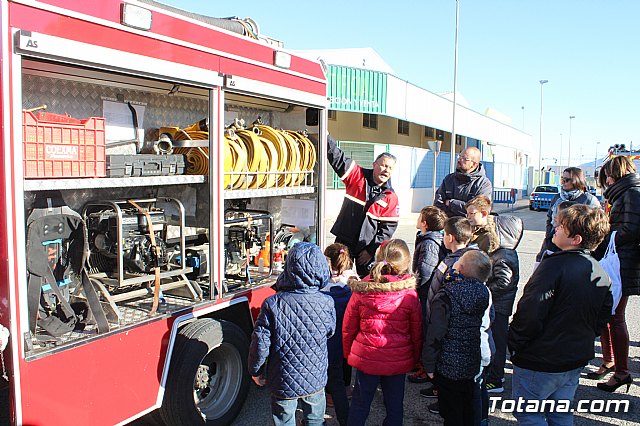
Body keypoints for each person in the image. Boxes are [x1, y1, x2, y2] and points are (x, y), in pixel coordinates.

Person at [508, 204, 612, 425]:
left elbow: (531, 311)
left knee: (529, 415)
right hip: (573, 358)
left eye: (562, 226)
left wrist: (516, 342)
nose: (555, 228)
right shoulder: (600, 271)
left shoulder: (553, 266)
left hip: (540, 359)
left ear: (576, 239)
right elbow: (602, 316)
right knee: (561, 413)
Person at [248, 242, 336, 426]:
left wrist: (255, 370)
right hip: (315, 376)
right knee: (315, 419)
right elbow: (330, 331)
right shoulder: (327, 302)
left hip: (282, 380)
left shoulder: (272, 304)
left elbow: (260, 343)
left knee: (284, 420)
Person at [343, 239, 422, 426]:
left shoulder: (362, 289)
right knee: (395, 405)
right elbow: (417, 331)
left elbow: (348, 327)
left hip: (367, 358)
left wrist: (349, 354)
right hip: (398, 358)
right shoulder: (409, 294)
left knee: (360, 404)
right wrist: (415, 358)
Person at [423, 250, 492, 426]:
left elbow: (435, 333)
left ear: (460, 267)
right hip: (471, 363)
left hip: (448, 366)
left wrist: (429, 363)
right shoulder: (483, 292)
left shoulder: (447, 295)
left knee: (451, 412)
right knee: (467, 407)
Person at [590, 155, 640, 392]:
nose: (605, 182)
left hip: (623, 263)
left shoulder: (632, 192)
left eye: (606, 177)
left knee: (616, 316)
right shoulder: (624, 192)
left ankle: (622, 372)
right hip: (615, 261)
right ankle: (609, 360)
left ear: (613, 173)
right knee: (606, 312)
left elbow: (631, 229)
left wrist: (606, 236)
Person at [466, 195, 523, 393]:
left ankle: (496, 379)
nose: (469, 218)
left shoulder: (503, 252)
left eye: (472, 214)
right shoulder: (486, 239)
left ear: (484, 214)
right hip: (493, 303)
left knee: (497, 341)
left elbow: (504, 282)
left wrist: (484, 291)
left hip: (499, 305)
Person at [420, 216, 475, 414]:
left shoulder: (463, 263)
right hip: (438, 317)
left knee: (446, 366)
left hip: (446, 325)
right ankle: (438, 390)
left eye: (444, 234)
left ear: (450, 237)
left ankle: (443, 399)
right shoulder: (453, 256)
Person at [327, 135, 399, 277]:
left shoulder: (391, 197)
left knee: (369, 282)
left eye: (390, 168)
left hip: (366, 250)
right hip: (344, 242)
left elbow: (387, 230)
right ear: (374, 164)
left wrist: (371, 251)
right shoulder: (357, 176)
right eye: (384, 165)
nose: (386, 170)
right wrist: (325, 134)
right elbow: (337, 157)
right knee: (336, 277)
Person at [408, 206, 449, 384]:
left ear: (424, 223)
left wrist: (413, 287)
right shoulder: (428, 238)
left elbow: (425, 271)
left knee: (425, 327)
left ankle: (425, 368)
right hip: (428, 291)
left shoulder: (430, 243)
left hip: (426, 293)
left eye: (419, 216)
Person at [322, 243, 357, 426]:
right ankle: (347, 389)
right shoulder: (353, 281)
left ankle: (329, 397)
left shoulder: (322, 285)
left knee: (331, 373)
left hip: (329, 339)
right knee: (345, 364)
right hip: (349, 335)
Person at [536, 166, 601, 261]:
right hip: (552, 243)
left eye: (567, 180)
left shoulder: (589, 200)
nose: (563, 182)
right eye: (562, 179)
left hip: (574, 247)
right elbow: (549, 218)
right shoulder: (557, 198)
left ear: (577, 180)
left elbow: (595, 225)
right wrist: (549, 234)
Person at [434, 147, 493, 218]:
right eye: (460, 156)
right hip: (448, 224)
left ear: (474, 164)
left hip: (470, 227)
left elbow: (476, 210)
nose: (459, 160)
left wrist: (451, 203)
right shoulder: (449, 179)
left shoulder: (483, 184)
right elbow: (438, 204)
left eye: (465, 159)